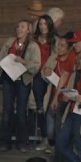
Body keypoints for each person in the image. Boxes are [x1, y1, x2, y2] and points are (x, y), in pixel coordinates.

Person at [0, 19, 42, 152]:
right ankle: (4, 141)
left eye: (22, 27)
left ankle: (22, 142)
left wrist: (24, 62)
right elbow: (0, 58)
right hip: (9, 79)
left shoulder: (33, 46)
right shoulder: (10, 42)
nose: (19, 29)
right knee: (7, 111)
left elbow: (36, 65)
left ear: (28, 30)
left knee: (21, 112)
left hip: (23, 81)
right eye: (17, 26)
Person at [31, 16, 59, 151]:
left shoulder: (56, 40)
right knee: (40, 108)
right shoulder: (34, 40)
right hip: (37, 76)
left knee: (51, 107)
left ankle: (52, 140)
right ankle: (44, 138)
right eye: (40, 24)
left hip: (51, 75)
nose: (43, 27)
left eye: (45, 24)